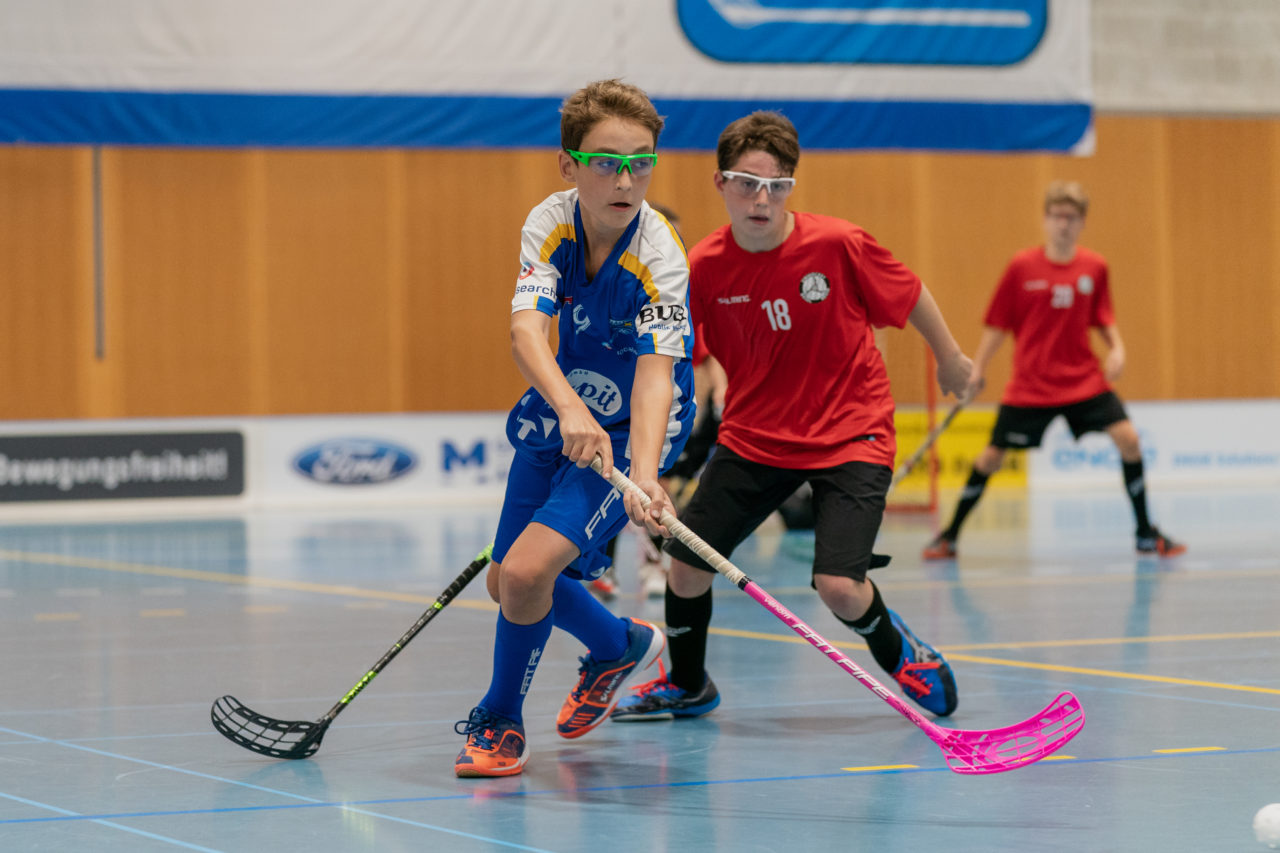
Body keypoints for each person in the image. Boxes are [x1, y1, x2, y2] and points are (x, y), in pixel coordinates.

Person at [611, 111, 979, 723]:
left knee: (838, 587)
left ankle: (899, 650)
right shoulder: (700, 269)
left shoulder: (837, 244)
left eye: (777, 185)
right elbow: (665, 356)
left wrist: (951, 359)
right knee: (686, 560)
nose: (762, 199)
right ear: (719, 183)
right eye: (747, 183)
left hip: (851, 430)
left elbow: (909, 293)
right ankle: (688, 683)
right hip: (756, 438)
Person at [453, 79, 697, 777]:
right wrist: (567, 408)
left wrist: (644, 473)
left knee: (526, 572)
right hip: (563, 408)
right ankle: (618, 643)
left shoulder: (661, 255)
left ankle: (500, 723)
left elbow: (656, 372)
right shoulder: (550, 222)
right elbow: (527, 330)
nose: (626, 180)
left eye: (642, 162)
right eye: (606, 162)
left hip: (633, 427)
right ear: (569, 164)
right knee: (508, 582)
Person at [923, 180, 1186, 561]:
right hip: (1031, 385)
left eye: (1073, 217)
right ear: (1045, 219)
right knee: (991, 457)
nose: (1064, 224)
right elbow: (998, 323)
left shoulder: (1095, 267)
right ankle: (949, 537)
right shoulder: (1021, 266)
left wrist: (1118, 347)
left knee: (1129, 439)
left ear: (1082, 223)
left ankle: (1145, 534)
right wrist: (978, 368)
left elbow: (1103, 316)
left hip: (1083, 380)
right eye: (1058, 216)